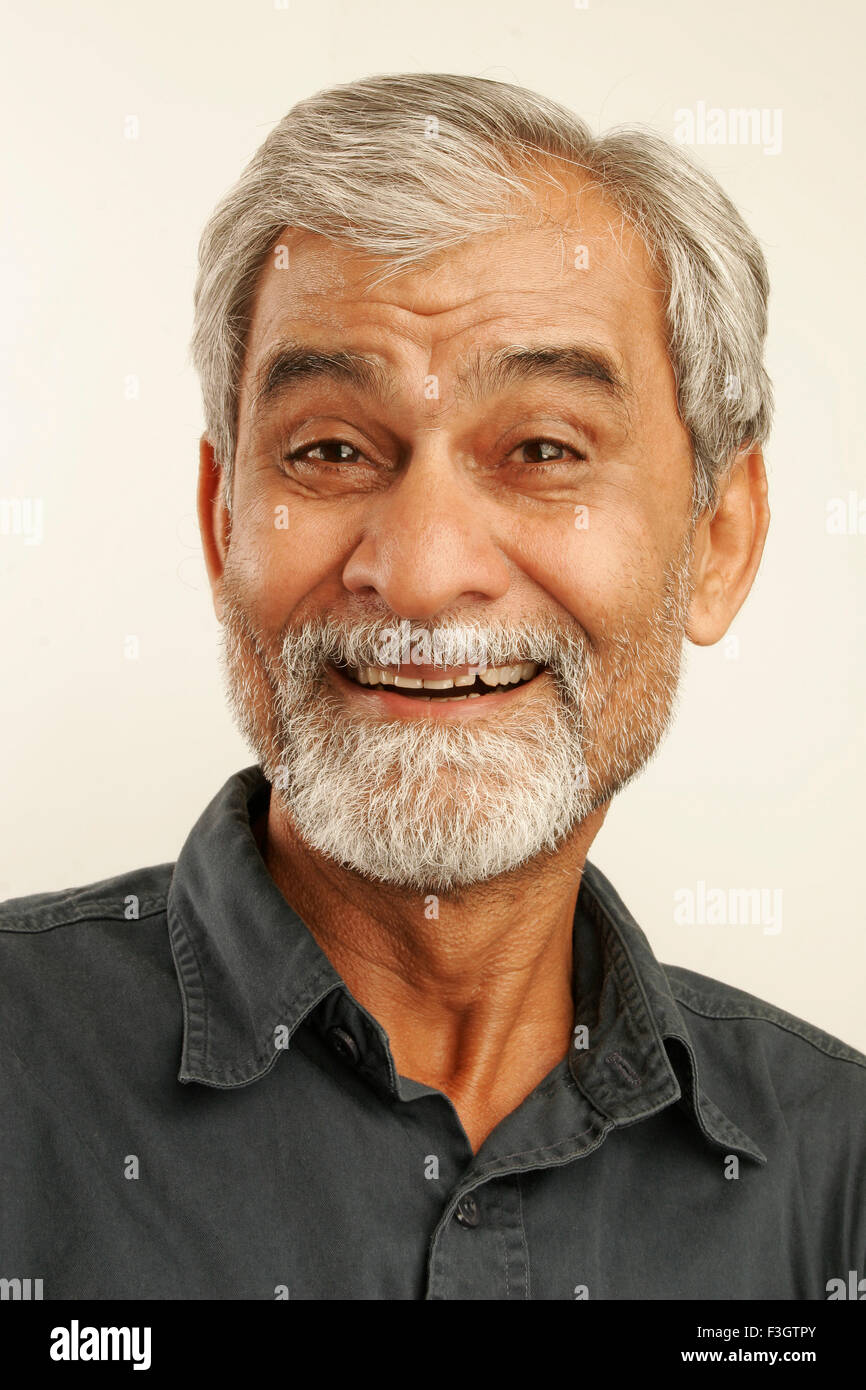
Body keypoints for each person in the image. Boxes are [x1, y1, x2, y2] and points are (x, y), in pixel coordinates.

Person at [2, 73, 863, 1302]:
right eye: (331, 451)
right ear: (222, 520)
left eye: (543, 450)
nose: (416, 572)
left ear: (714, 542)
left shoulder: (834, 1177)